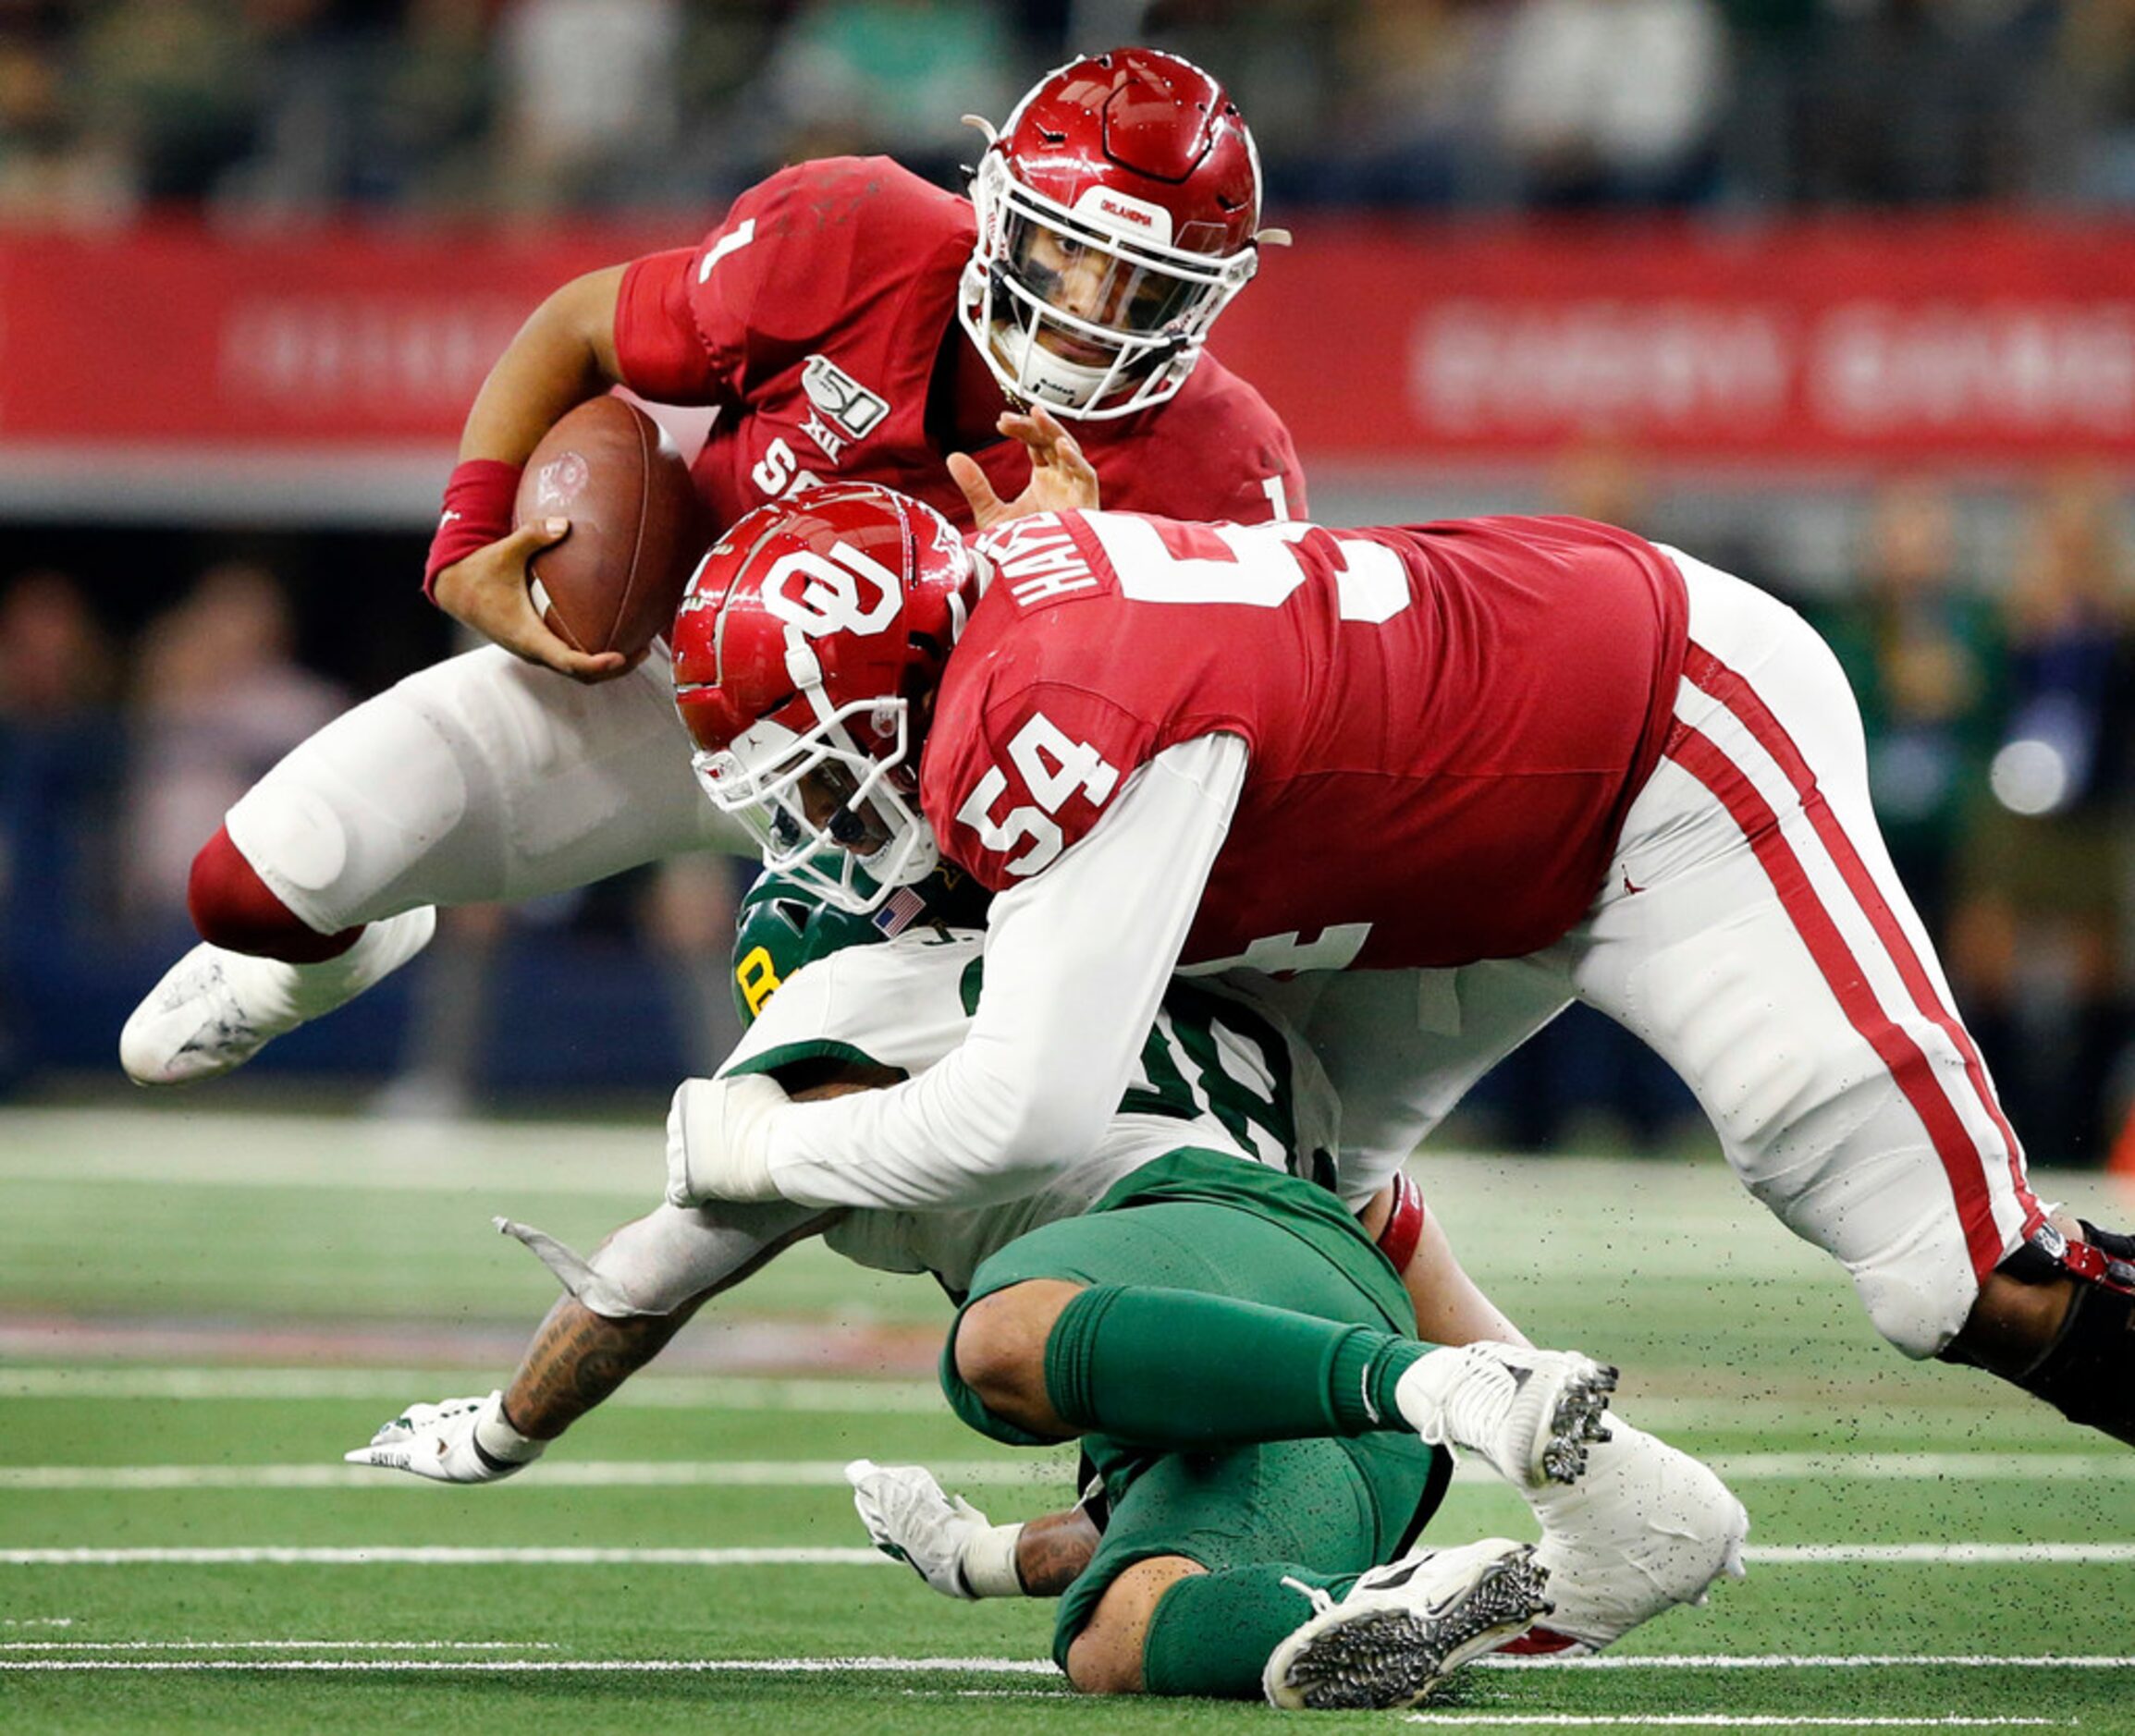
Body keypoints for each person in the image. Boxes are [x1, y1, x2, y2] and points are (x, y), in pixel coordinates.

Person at [660, 483, 2135, 1451]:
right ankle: (1595, 1489)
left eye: (838, 777)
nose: (839, 828)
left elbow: (1020, 1117)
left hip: (1659, 754)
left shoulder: (1041, 715)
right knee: (1299, 1185)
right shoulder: (1014, 630)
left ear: (912, 677)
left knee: (1960, 1281)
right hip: (1470, 829)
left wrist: (773, 1144)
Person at [119, 46, 1305, 1088]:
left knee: (882, 1154)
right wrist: (473, 538)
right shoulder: (858, 239)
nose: (1087, 317)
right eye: (1062, 259)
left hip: (927, 836)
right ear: (994, 211)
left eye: (1143, 288)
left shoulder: (1226, 469)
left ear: (1213, 296)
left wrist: (1069, 593)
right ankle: (344, 955)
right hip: (666, 684)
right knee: (252, 887)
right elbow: (581, 325)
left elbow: (1204, 801)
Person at [348, 862, 1746, 1708]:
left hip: (1226, 1274)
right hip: (1303, 1379)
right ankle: (1374, 1610)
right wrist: (974, 1558)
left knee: (994, 1344)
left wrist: (498, 1433)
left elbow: (649, 1274)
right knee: (1116, 1632)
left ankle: (1444, 1393)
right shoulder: (1170, 988)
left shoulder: (884, 995)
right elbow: (1385, 1227)